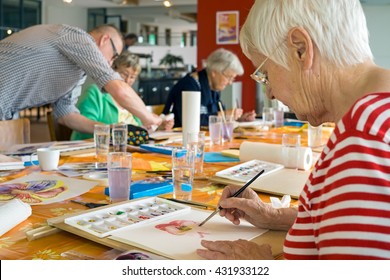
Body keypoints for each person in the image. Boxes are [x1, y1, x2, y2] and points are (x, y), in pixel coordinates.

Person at [197, 0, 390, 260]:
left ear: (300, 49)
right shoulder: (374, 117)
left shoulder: (364, 141)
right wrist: (273, 216)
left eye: (265, 74)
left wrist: (259, 268)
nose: (270, 92)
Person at [0, 24, 161, 133]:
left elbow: (66, 115)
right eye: (113, 57)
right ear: (105, 40)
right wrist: (148, 117)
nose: (110, 63)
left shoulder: (77, 71)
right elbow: (118, 89)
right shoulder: (79, 38)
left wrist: (109, 130)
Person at [71, 52, 174, 140]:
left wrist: (158, 128)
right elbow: (83, 130)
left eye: (132, 77)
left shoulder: (132, 98)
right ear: (113, 70)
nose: (127, 80)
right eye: (124, 74)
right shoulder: (95, 92)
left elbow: (139, 129)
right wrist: (115, 130)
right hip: (95, 151)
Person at [162, 48, 256, 128]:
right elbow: (191, 121)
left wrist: (238, 118)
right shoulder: (189, 86)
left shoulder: (213, 87)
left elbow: (216, 114)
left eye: (233, 78)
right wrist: (223, 115)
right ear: (214, 72)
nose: (230, 83)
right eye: (229, 77)